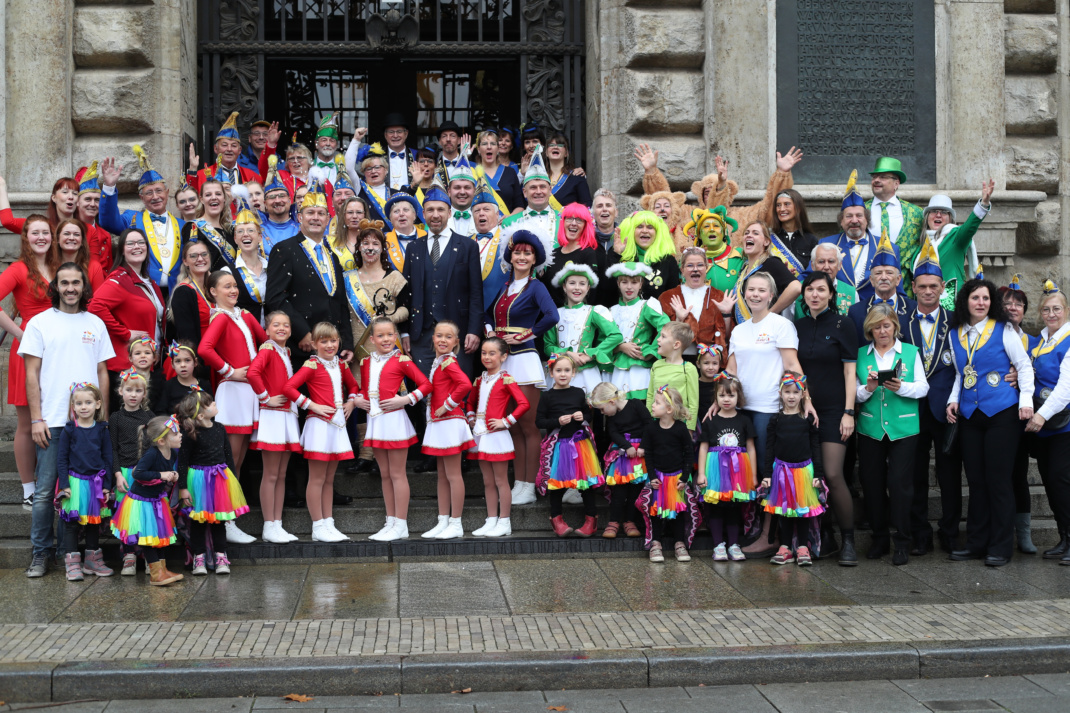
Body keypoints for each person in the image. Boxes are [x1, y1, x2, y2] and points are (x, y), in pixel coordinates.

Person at [21, 262, 114, 578]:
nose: (71, 288)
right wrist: (36, 418)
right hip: (53, 421)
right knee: (47, 491)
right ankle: (41, 553)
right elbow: (31, 373)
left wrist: (103, 417)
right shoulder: (39, 323)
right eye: (64, 283)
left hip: (88, 425)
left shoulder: (95, 323)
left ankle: (70, 554)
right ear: (56, 287)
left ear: (83, 287)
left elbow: (102, 372)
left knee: (83, 491)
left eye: (76, 282)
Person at [947, 277, 1035, 567]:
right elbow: (962, 373)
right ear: (966, 302)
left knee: (998, 481)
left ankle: (1000, 546)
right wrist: (953, 399)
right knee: (976, 481)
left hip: (1002, 414)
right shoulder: (955, 332)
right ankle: (976, 543)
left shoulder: (1004, 329)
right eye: (975, 298)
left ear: (992, 302)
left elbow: (1023, 366)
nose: (981, 303)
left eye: (985, 298)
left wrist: (1025, 402)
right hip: (971, 416)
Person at [722, 271, 811, 556]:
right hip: (741, 410)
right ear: (744, 294)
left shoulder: (781, 325)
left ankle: (770, 535)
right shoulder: (738, 329)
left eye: (762, 290)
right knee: (745, 474)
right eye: (751, 290)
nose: (756, 294)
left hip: (769, 411)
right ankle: (752, 526)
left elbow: (792, 366)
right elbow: (731, 372)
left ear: (771, 295)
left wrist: (805, 399)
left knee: (767, 473)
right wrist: (718, 399)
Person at [485, 229, 559, 506]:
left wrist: (527, 334)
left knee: (528, 425)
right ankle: (519, 483)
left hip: (525, 359)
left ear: (535, 258)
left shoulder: (536, 287)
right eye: (518, 251)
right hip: (505, 361)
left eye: (527, 253)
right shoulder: (504, 287)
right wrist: (491, 331)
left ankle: (531, 484)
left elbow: (552, 315)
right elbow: (487, 313)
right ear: (510, 255)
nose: (522, 256)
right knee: (512, 426)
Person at [855, 303, 929, 565]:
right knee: (872, 484)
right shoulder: (861, 355)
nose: (882, 331)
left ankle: (902, 540)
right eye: (876, 326)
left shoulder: (910, 352)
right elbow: (853, 394)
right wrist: (868, 387)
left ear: (895, 327)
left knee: (900, 485)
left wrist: (901, 387)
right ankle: (878, 537)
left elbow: (923, 388)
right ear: (870, 330)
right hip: (870, 428)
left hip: (904, 428)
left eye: (886, 325)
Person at [793, 271, 859, 565]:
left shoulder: (844, 324)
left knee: (833, 474)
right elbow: (795, 370)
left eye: (821, 290)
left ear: (831, 294)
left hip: (835, 411)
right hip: (805, 409)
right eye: (810, 290)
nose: (815, 295)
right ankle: (824, 534)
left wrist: (848, 412)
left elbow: (849, 372)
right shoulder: (797, 326)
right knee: (811, 476)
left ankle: (848, 540)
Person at [903, 241, 963, 555]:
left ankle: (951, 533)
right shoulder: (901, 323)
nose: (928, 291)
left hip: (946, 409)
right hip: (911, 408)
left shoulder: (957, 322)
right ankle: (920, 534)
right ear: (913, 287)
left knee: (950, 475)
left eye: (933, 286)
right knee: (915, 476)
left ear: (943, 288)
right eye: (922, 286)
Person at [635, 143, 803, 253]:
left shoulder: (743, 215)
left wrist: (782, 174)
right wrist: (651, 172)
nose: (710, 196)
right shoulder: (688, 214)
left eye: (715, 191)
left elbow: (771, 204)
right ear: (699, 194)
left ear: (728, 193)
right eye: (706, 192)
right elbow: (663, 202)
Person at [351, 317, 430, 542]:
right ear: (372, 339)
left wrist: (404, 400)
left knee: (397, 474)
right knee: (385, 474)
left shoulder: (402, 359)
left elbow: (426, 384)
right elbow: (364, 391)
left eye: (390, 334)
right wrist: (357, 400)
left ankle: (401, 524)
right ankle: (390, 520)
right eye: (380, 335)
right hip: (376, 422)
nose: (386, 339)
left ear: (395, 336)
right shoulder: (366, 362)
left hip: (394, 421)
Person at [286, 321, 363, 542]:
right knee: (317, 478)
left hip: (337, 425)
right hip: (319, 426)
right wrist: (312, 406)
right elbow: (289, 388)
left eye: (333, 341)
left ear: (339, 342)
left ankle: (329, 523)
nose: (330, 345)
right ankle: (317, 525)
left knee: (329, 479)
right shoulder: (311, 365)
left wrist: (351, 403)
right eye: (324, 341)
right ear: (314, 344)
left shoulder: (341, 365)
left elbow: (354, 387)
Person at [265, 181, 354, 368]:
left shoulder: (332, 256)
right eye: (310, 213)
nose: (315, 218)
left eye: (321, 214)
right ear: (299, 217)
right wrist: (302, 332)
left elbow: (340, 302)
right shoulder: (284, 250)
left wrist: (346, 341)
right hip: (301, 347)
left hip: (332, 347)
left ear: (328, 219)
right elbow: (276, 298)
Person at [0, 215, 58, 501]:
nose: (40, 237)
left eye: (45, 232)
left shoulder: (59, 267)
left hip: (59, 352)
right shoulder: (19, 269)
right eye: (34, 233)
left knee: (56, 417)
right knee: (27, 422)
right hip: (29, 351)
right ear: (26, 237)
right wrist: (22, 335)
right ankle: (28, 490)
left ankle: (54, 484)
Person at [402, 180, 482, 376]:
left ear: (449, 212)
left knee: (457, 392)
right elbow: (406, 292)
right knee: (424, 393)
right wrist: (404, 331)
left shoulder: (467, 246)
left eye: (440, 209)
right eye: (430, 210)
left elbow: (476, 293)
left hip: (458, 334)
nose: (435, 215)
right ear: (423, 214)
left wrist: (473, 330)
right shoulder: (414, 248)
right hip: (421, 334)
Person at [199, 270, 268, 481]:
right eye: (227, 286)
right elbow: (204, 349)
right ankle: (223, 508)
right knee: (230, 457)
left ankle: (230, 507)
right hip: (233, 391)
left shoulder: (243, 314)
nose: (233, 290)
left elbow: (267, 343)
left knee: (239, 459)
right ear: (213, 291)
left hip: (249, 390)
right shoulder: (220, 317)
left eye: (235, 286)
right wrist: (230, 371)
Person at [89, 229, 166, 407]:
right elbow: (95, 306)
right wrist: (125, 333)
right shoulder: (119, 279)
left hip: (147, 366)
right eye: (130, 243)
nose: (136, 247)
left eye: (141, 242)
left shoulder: (150, 282)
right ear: (122, 250)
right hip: (126, 368)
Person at [176, 389, 248, 575]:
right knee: (199, 522)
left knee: (219, 521)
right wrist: (183, 488)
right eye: (210, 403)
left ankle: (221, 557)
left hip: (220, 480)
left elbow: (228, 457)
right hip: (199, 481)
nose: (214, 404)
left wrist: (233, 481)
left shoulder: (220, 428)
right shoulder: (191, 433)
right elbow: (183, 462)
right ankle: (198, 559)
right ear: (200, 415)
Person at [1024, 280, 1070, 565]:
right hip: (1046, 429)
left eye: (1057, 309)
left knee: (1060, 480)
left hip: (1063, 425)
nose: (1051, 314)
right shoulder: (1041, 342)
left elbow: (1065, 388)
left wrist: (1040, 415)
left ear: (1066, 311)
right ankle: (1064, 538)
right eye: (1046, 310)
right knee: (1052, 484)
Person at [247, 311, 301, 543]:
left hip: (286, 415)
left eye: (286, 324)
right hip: (272, 415)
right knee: (271, 474)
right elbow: (252, 373)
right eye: (276, 324)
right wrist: (265, 397)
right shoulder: (267, 348)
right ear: (266, 330)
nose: (282, 328)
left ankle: (277, 523)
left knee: (280, 474)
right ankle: (269, 525)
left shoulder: (285, 351)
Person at [111, 415, 184, 585]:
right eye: (176, 434)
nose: (180, 435)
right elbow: (138, 473)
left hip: (156, 500)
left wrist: (173, 475)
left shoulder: (172, 453)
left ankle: (163, 570)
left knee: (159, 536)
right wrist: (161, 475)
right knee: (148, 538)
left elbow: (166, 473)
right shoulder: (152, 454)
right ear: (161, 441)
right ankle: (156, 574)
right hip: (142, 502)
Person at [466, 337, 529, 536]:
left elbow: (524, 404)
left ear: (503, 356)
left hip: (498, 436)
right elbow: (470, 402)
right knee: (487, 480)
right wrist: (470, 417)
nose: (486, 357)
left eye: (492, 353)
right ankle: (491, 519)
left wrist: (506, 421)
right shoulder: (479, 379)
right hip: (481, 435)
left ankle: (505, 521)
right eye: (484, 353)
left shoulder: (506, 379)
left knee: (501, 480)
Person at [761, 373, 826, 566]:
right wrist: (766, 475)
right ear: (780, 393)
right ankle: (786, 547)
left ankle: (803, 547)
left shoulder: (808, 419)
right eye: (787, 392)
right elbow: (770, 448)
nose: (791, 396)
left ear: (803, 394)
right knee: (784, 510)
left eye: (795, 392)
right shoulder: (776, 420)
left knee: (803, 509)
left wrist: (818, 474)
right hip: (781, 471)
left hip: (804, 471)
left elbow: (815, 447)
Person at [98, 148, 185, 290]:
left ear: (167, 193)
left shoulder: (182, 225)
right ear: (142, 198)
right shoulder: (131, 219)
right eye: (149, 193)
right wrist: (109, 187)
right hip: (143, 291)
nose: (155, 197)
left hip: (175, 292)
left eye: (159, 191)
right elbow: (108, 221)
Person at [537, 355, 604, 537]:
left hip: (580, 444)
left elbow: (588, 415)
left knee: (585, 484)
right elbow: (539, 421)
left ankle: (591, 520)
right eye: (558, 371)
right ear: (551, 373)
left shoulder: (578, 393)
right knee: (557, 486)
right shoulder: (547, 396)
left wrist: (584, 417)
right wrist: (557, 421)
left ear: (573, 373)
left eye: (567, 370)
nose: (563, 374)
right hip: (560, 446)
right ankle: (557, 520)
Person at [420, 321, 474, 540]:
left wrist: (447, 405)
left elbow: (465, 385)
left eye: (448, 337)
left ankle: (456, 522)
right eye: (439, 335)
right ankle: (443, 520)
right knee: (442, 475)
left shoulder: (448, 362)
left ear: (456, 342)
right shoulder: (439, 361)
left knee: (452, 475)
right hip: (440, 422)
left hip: (450, 421)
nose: (443, 340)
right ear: (433, 338)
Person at [55, 383, 114, 581]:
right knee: (71, 524)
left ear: (97, 404)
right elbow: (61, 459)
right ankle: (72, 563)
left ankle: (92, 560)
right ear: (73, 405)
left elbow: (108, 459)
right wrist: (64, 484)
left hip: (95, 485)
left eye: (88, 402)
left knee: (92, 523)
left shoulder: (102, 430)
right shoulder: (70, 430)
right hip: (74, 484)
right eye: (78, 403)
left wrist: (107, 485)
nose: (83, 407)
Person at [698, 375, 757, 562]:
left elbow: (751, 448)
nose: (726, 399)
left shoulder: (745, 420)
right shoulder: (710, 421)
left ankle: (733, 544)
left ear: (738, 397)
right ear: (715, 397)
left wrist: (753, 475)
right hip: (716, 470)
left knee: (734, 507)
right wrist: (701, 473)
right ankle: (718, 545)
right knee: (716, 506)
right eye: (722, 395)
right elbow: (704, 447)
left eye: (731, 395)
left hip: (738, 471)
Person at [639, 385, 701, 562]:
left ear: (669, 409)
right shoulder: (651, 428)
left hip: (676, 479)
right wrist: (651, 476)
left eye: (656, 403)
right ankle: (656, 544)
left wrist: (684, 477)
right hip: (658, 478)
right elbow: (648, 454)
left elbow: (689, 454)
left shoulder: (681, 429)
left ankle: (679, 544)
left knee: (679, 511)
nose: (651, 405)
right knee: (656, 511)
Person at [1001, 276, 1040, 554]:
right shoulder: (994, 336)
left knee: (1019, 475)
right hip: (999, 415)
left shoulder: (1036, 342)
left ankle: (1024, 534)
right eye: (1008, 303)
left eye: (1019, 303)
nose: (1013, 307)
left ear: (1025, 310)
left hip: (1025, 417)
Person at [820, 171, 899, 303]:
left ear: (867, 220)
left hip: (876, 310)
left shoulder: (888, 246)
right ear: (841, 221)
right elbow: (811, 277)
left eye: (859, 216)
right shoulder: (826, 244)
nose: (854, 220)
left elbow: (897, 287)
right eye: (849, 216)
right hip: (837, 309)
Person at [544, 262, 622, 394]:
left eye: (582, 283)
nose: (577, 288)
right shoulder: (555, 313)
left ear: (588, 288)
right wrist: (567, 353)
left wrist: (590, 354)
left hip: (586, 373)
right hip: (560, 372)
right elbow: (547, 346)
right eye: (572, 283)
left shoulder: (594, 311)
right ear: (564, 286)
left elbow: (616, 336)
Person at [916, 181, 994, 308]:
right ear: (927, 217)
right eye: (934, 211)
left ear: (950, 219)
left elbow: (970, 227)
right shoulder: (920, 246)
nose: (938, 215)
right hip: (922, 306)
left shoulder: (956, 237)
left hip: (950, 308)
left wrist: (983, 204)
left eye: (944, 212)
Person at [591, 383, 651, 538]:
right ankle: (614, 521)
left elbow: (649, 425)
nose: (602, 413)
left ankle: (629, 521)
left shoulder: (636, 405)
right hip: (622, 455)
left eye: (602, 409)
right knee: (619, 491)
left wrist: (644, 446)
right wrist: (627, 446)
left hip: (639, 455)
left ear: (611, 401)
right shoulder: (612, 416)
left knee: (635, 491)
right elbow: (613, 433)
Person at [110, 368, 155, 575]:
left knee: (145, 514)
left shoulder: (149, 417)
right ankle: (128, 554)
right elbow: (112, 449)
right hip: (125, 475)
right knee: (126, 515)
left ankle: (148, 555)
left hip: (144, 474)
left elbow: (154, 447)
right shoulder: (116, 418)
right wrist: (118, 474)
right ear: (121, 391)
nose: (133, 394)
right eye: (129, 390)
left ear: (144, 394)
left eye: (138, 391)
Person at [608, 262, 671, 399]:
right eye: (624, 282)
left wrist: (652, 351)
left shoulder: (647, 305)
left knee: (641, 408)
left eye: (634, 282)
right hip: (616, 370)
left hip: (640, 369)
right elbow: (603, 341)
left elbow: (665, 326)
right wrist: (619, 347)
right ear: (618, 284)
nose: (629, 287)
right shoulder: (611, 311)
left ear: (641, 284)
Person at [659, 247, 730, 360]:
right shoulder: (668, 297)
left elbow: (726, 337)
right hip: (676, 360)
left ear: (706, 268)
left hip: (708, 362)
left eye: (700, 265)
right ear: (682, 270)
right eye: (690, 265)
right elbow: (660, 336)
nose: (695, 269)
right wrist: (678, 320)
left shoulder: (718, 296)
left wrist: (727, 315)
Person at [846, 231, 915, 346]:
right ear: (871, 280)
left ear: (898, 279)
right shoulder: (856, 312)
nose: (883, 277)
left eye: (889, 273)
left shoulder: (914, 309)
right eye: (878, 273)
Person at [866, 157, 924, 284]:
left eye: (883, 177)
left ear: (896, 183)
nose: (876, 180)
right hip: (868, 282)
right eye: (874, 177)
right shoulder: (860, 211)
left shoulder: (915, 212)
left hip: (905, 284)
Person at [730, 221, 801, 323]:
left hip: (766, 332)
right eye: (746, 233)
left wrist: (769, 315)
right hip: (746, 331)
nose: (749, 235)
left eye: (755, 233)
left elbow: (796, 287)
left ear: (766, 242)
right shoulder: (743, 269)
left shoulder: (771, 263)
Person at [541, 203, 606, 305]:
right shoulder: (554, 254)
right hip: (553, 316)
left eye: (579, 220)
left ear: (585, 225)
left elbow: (592, 293)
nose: (573, 223)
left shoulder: (589, 254)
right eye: (569, 219)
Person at [612, 210, 681, 300]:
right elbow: (608, 290)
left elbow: (673, 297)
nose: (644, 231)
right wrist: (616, 255)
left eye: (650, 227)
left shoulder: (668, 261)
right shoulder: (621, 257)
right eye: (640, 227)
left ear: (657, 233)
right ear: (632, 231)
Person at [224, 192, 269, 325]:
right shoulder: (227, 272)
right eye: (240, 231)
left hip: (272, 336)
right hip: (244, 336)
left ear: (260, 237)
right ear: (235, 239)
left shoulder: (271, 267)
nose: (245, 235)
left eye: (250, 230)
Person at [187, 112, 260, 191]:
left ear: (239, 150)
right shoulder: (201, 175)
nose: (229, 149)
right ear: (216, 149)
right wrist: (192, 169)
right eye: (224, 145)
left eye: (234, 146)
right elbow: (190, 196)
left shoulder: (252, 176)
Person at [682, 207, 744, 294]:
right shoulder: (687, 260)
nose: (711, 229)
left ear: (723, 232)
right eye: (706, 226)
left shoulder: (741, 255)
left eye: (716, 226)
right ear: (699, 234)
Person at [500, 145, 558, 238]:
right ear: (524, 192)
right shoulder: (509, 223)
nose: (538, 191)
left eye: (542, 187)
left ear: (550, 190)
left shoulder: (564, 220)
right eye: (533, 187)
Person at [165, 240, 213, 350]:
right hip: (201, 357)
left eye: (204, 254)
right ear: (185, 261)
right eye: (194, 256)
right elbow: (188, 338)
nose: (200, 259)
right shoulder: (183, 292)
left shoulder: (215, 285)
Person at [472, 178, 510, 310]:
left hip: (501, 310)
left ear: (497, 214)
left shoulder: (509, 239)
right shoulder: (464, 242)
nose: (481, 213)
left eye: (486, 209)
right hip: (471, 312)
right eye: (477, 211)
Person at [182, 179, 235, 272]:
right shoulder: (194, 227)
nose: (214, 197)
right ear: (201, 199)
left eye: (218, 194)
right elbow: (191, 264)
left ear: (224, 198)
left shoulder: (231, 230)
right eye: (208, 195)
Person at [794, 243, 857, 318]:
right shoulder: (796, 291)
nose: (826, 267)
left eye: (831, 261)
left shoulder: (852, 292)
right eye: (821, 262)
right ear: (812, 265)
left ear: (839, 265)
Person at [0, 174, 78, 235]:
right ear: (54, 198)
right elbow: (8, 222)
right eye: (65, 192)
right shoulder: (41, 226)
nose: (71, 196)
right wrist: (1, 185)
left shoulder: (86, 229)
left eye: (75, 193)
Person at [72, 162, 114, 273]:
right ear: (77, 202)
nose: (92, 204)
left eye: (97, 200)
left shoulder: (105, 235)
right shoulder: (67, 232)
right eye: (87, 199)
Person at [472, 129, 523, 213]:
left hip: (506, 224)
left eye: (493, 144)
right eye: (484, 144)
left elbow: (519, 206)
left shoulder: (510, 172)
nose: (489, 147)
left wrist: (509, 218)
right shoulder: (471, 173)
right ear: (479, 149)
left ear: (498, 149)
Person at [155, 340, 212, 415]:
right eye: (178, 361)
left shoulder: (204, 385)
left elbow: (210, 411)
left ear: (195, 362)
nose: (183, 365)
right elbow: (160, 412)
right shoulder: (168, 386)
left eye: (187, 360)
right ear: (172, 364)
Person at [259, 158, 301, 255]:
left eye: (282, 196)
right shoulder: (258, 231)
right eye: (272, 197)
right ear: (265, 203)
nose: (277, 201)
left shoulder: (302, 229)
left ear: (290, 200)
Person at [53, 218, 105, 290]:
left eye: (76, 234)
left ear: (82, 241)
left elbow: (99, 299)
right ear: (58, 239)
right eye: (66, 234)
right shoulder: (49, 266)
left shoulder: (94, 267)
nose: (71, 238)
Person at [772, 189, 819, 266]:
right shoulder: (769, 238)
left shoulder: (811, 240)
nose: (782, 209)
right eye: (778, 205)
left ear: (798, 208)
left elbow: (814, 270)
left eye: (786, 204)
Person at [545, 132, 591, 208]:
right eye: (551, 145)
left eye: (560, 145)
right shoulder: (539, 177)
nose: (555, 147)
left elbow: (588, 207)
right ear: (546, 152)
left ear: (566, 153)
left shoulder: (577, 177)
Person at [382, 193, 424, 271]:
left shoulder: (428, 236)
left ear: (414, 215)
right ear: (390, 218)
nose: (401, 214)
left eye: (406, 210)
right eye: (396, 211)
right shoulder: (382, 240)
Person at [445, 153, 479, 237]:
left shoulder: (484, 217)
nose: (462, 192)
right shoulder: (440, 218)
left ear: (474, 191)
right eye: (457, 188)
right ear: (449, 191)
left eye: (467, 188)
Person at [381, 113, 415, 191]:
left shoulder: (416, 155)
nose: (395, 135)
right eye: (391, 132)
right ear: (385, 135)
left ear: (406, 134)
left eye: (399, 131)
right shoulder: (377, 157)